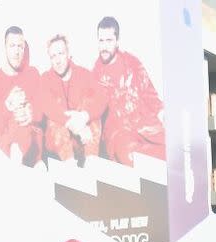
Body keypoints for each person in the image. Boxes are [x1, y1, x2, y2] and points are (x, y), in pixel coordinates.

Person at [92, 16, 165, 165]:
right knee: (130, 155)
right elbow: (92, 110)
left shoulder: (132, 62)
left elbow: (150, 94)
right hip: (120, 132)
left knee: (174, 152)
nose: (104, 46)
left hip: (146, 126)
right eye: (101, 41)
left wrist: (163, 114)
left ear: (117, 41)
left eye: (109, 41)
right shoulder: (95, 76)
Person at [39, 35, 106, 166]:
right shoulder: (45, 79)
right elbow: (47, 106)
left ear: (68, 54)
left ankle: (92, 163)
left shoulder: (84, 74)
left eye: (61, 53)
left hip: (85, 140)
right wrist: (75, 124)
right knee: (55, 116)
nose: (58, 60)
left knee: (90, 105)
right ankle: (70, 168)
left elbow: (102, 98)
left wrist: (84, 116)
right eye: (53, 56)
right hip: (59, 143)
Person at [0, 25, 41, 165]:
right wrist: (7, 106)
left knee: (26, 126)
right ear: (5, 48)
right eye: (12, 45)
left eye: (20, 47)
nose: (16, 51)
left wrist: (31, 112)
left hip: (31, 145)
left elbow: (43, 107)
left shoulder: (33, 74)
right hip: (6, 149)